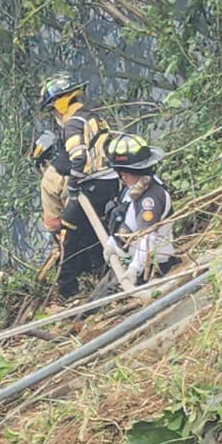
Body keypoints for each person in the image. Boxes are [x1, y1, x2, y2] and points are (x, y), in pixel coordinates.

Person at [39, 73, 118, 299]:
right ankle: (103, 272)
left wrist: (73, 185)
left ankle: (67, 292)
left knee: (70, 235)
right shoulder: (92, 117)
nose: (54, 115)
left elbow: (79, 156)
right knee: (97, 229)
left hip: (94, 185)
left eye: (52, 110)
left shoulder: (72, 124)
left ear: (59, 105)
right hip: (111, 181)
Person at [102, 133, 176, 290]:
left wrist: (134, 271)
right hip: (128, 260)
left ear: (125, 173)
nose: (121, 177)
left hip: (151, 268)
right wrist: (112, 245)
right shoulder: (131, 191)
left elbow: (147, 238)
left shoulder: (151, 198)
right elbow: (122, 220)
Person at [31, 128, 68, 233]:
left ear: (44, 161)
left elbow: (52, 222)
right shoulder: (80, 158)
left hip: (80, 228)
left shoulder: (49, 178)